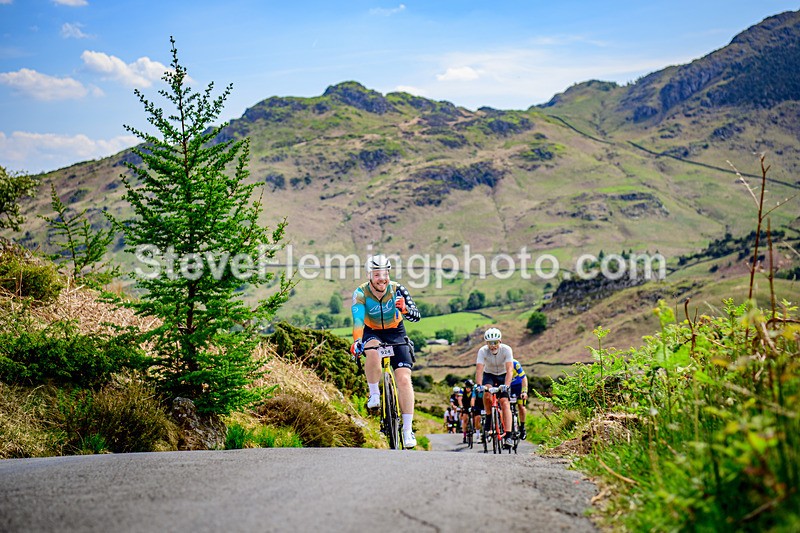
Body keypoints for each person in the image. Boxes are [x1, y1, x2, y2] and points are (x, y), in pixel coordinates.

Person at [350, 254, 421, 448]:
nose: (382, 278)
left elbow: (417, 316)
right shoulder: (360, 293)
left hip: (396, 333)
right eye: (377, 274)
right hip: (371, 331)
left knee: (404, 380)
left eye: (385, 273)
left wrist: (405, 310)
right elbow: (357, 321)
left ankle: (407, 431)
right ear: (369, 275)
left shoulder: (398, 290)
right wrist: (357, 341)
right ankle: (374, 395)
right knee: (371, 350)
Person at [475, 327, 514, 448]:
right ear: (486, 343)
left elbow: (510, 370)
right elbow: (479, 370)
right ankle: (488, 417)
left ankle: (508, 435)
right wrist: (479, 386)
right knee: (486, 394)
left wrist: (506, 386)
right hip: (489, 375)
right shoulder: (482, 351)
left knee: (504, 402)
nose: (493, 346)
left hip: (503, 375)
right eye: (490, 343)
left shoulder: (507, 350)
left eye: (495, 342)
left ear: (500, 341)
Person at [509, 359, 529, 440]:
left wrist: (524, 392)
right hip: (508, 386)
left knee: (521, 406)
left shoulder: (515, 363)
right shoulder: (500, 364)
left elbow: (524, 378)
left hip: (518, 385)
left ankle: (522, 428)